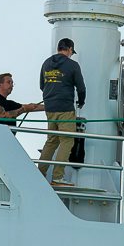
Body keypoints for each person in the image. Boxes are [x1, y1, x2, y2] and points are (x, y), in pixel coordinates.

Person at [37, 38, 86, 186]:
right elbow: (81, 88)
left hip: (50, 107)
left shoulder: (46, 63)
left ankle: (39, 173)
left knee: (51, 140)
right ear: (69, 49)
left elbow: (41, 85)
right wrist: (81, 101)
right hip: (65, 108)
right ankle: (58, 176)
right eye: (72, 51)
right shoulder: (72, 65)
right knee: (67, 140)